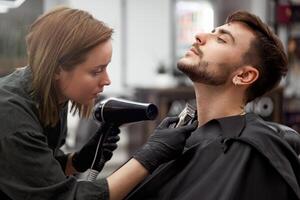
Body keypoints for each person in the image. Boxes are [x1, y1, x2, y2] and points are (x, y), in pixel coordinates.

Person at [0, 7, 198, 200]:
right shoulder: (11, 116)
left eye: (106, 68)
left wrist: (77, 161)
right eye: (96, 71)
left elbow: (34, 175)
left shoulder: (52, 96)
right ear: (57, 69)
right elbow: (63, 196)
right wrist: (150, 155)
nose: (107, 80)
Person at [125, 10, 300, 200]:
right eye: (212, 32)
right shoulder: (175, 138)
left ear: (244, 76)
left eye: (221, 40)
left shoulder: (253, 152)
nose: (199, 36)